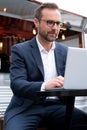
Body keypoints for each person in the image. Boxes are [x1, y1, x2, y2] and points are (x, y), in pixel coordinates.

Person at [4, 2, 87, 130]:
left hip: (57, 107)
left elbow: (74, 80)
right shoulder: (20, 50)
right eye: (50, 22)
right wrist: (45, 85)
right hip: (26, 108)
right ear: (36, 22)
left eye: (58, 23)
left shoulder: (66, 52)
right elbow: (17, 84)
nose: (55, 27)